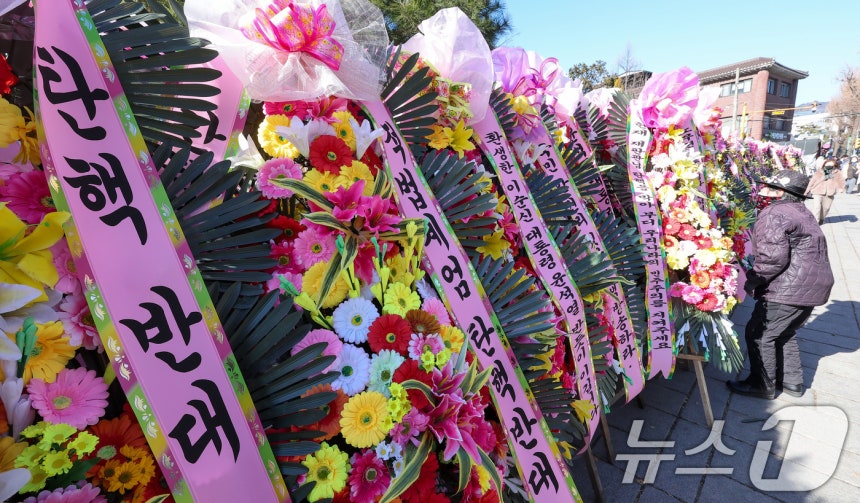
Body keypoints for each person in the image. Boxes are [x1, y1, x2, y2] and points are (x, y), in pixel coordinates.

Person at [727, 169, 834, 399]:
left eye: (769, 188)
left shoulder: (775, 213)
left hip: (789, 289)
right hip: (812, 286)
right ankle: (791, 382)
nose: (762, 192)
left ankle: (761, 384)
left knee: (759, 333)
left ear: (781, 193)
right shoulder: (800, 211)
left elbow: (772, 258)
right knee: (784, 332)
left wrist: (752, 281)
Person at [806, 158, 845, 224]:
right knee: (817, 207)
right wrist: (806, 191)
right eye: (827, 165)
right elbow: (812, 182)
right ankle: (815, 222)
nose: (829, 167)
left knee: (826, 208)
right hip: (817, 191)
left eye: (831, 165)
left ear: (834, 166)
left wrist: (841, 188)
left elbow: (841, 181)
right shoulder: (819, 172)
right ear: (824, 165)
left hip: (830, 193)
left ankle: (821, 218)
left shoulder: (837, 173)